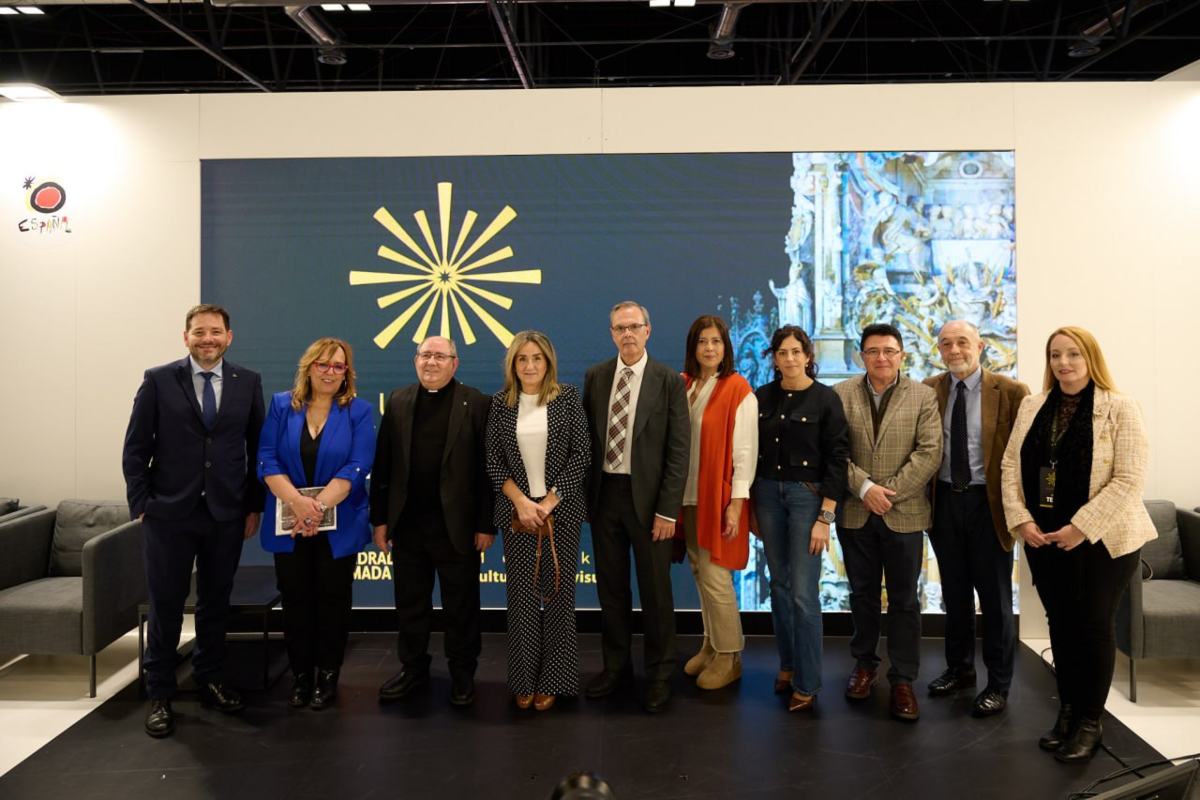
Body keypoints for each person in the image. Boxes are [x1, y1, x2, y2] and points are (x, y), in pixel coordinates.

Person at [1001, 326, 1156, 762]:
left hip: (1103, 540)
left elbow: (1128, 479)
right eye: (1055, 355)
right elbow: (1010, 465)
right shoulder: (1033, 405)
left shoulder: (1121, 408)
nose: (1063, 363)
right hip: (1043, 537)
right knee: (1061, 626)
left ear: (1091, 358)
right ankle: (1067, 713)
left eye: (1072, 354)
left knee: (1092, 626)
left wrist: (1081, 527)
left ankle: (1090, 721)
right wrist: (1022, 519)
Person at [122, 303, 264, 739]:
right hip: (169, 515)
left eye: (216, 332)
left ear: (229, 337)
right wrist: (143, 503)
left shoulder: (248, 383)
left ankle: (210, 678)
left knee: (215, 602)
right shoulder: (159, 380)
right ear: (186, 337)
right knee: (165, 604)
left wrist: (253, 506)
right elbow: (134, 449)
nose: (208, 339)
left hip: (226, 514)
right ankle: (160, 691)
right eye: (199, 332)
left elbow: (257, 449)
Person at [370, 336, 495, 707]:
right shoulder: (398, 401)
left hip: (457, 527)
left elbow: (488, 470)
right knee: (410, 604)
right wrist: (381, 521)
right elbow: (383, 467)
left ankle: (462, 672)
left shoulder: (477, 403)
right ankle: (413, 668)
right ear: (415, 360)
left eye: (440, 356)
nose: (431, 362)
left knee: (461, 606)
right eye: (425, 355)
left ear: (455, 364)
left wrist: (486, 524)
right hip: (408, 526)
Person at [256, 337, 375, 711]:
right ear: (308, 368)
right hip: (288, 523)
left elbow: (358, 466)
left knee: (333, 603)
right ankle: (301, 676)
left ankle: (327, 676)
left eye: (338, 366)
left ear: (346, 374)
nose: (329, 372)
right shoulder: (280, 406)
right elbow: (266, 459)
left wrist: (317, 508)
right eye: (322, 365)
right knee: (296, 603)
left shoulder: (359, 411)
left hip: (338, 526)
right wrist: (297, 503)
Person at [583, 301, 690, 713]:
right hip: (605, 496)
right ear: (611, 333)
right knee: (610, 590)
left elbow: (679, 451)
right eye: (619, 328)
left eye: (634, 327)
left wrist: (668, 510)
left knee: (656, 593)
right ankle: (616, 669)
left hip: (650, 503)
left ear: (648, 330)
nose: (627, 334)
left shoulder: (667, 381)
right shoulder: (596, 377)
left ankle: (660, 674)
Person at [832, 322, 941, 721]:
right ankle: (864, 666)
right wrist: (865, 489)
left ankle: (903, 679)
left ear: (902, 355)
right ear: (861, 355)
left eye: (889, 351)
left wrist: (888, 492)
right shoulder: (840, 394)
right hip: (857, 513)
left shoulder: (924, 397)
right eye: (873, 351)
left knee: (904, 600)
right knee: (861, 595)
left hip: (904, 514)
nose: (882, 358)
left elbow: (929, 453)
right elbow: (833, 452)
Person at [922, 320, 1029, 717]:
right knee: (954, 593)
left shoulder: (1011, 391)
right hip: (946, 502)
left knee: (996, 598)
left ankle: (998, 684)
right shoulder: (928, 390)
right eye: (946, 344)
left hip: (990, 505)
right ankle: (960, 669)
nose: (954, 350)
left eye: (962, 342)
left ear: (980, 346)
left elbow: (1023, 454)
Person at [486, 331, 591, 712]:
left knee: (560, 596)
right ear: (513, 364)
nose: (529, 366)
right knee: (522, 600)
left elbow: (581, 454)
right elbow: (493, 462)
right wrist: (521, 503)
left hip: (560, 513)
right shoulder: (499, 404)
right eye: (522, 359)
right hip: (516, 517)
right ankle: (524, 679)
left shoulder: (567, 399)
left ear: (548, 363)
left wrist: (547, 503)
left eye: (537, 358)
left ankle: (555, 680)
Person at [751, 325, 849, 712]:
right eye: (782, 352)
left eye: (796, 351)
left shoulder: (826, 400)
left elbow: (838, 458)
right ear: (774, 358)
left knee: (805, 594)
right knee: (778, 586)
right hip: (767, 495)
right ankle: (788, 666)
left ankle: (808, 683)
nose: (789, 358)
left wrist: (826, 515)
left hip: (807, 499)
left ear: (808, 356)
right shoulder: (761, 397)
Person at [676, 315, 758, 691]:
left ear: (726, 348)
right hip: (688, 497)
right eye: (702, 342)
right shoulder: (688, 385)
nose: (709, 348)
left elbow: (745, 452)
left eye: (716, 342)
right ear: (693, 348)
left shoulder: (737, 388)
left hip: (718, 497)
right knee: (699, 572)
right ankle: (711, 644)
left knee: (715, 574)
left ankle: (730, 655)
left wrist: (736, 503)